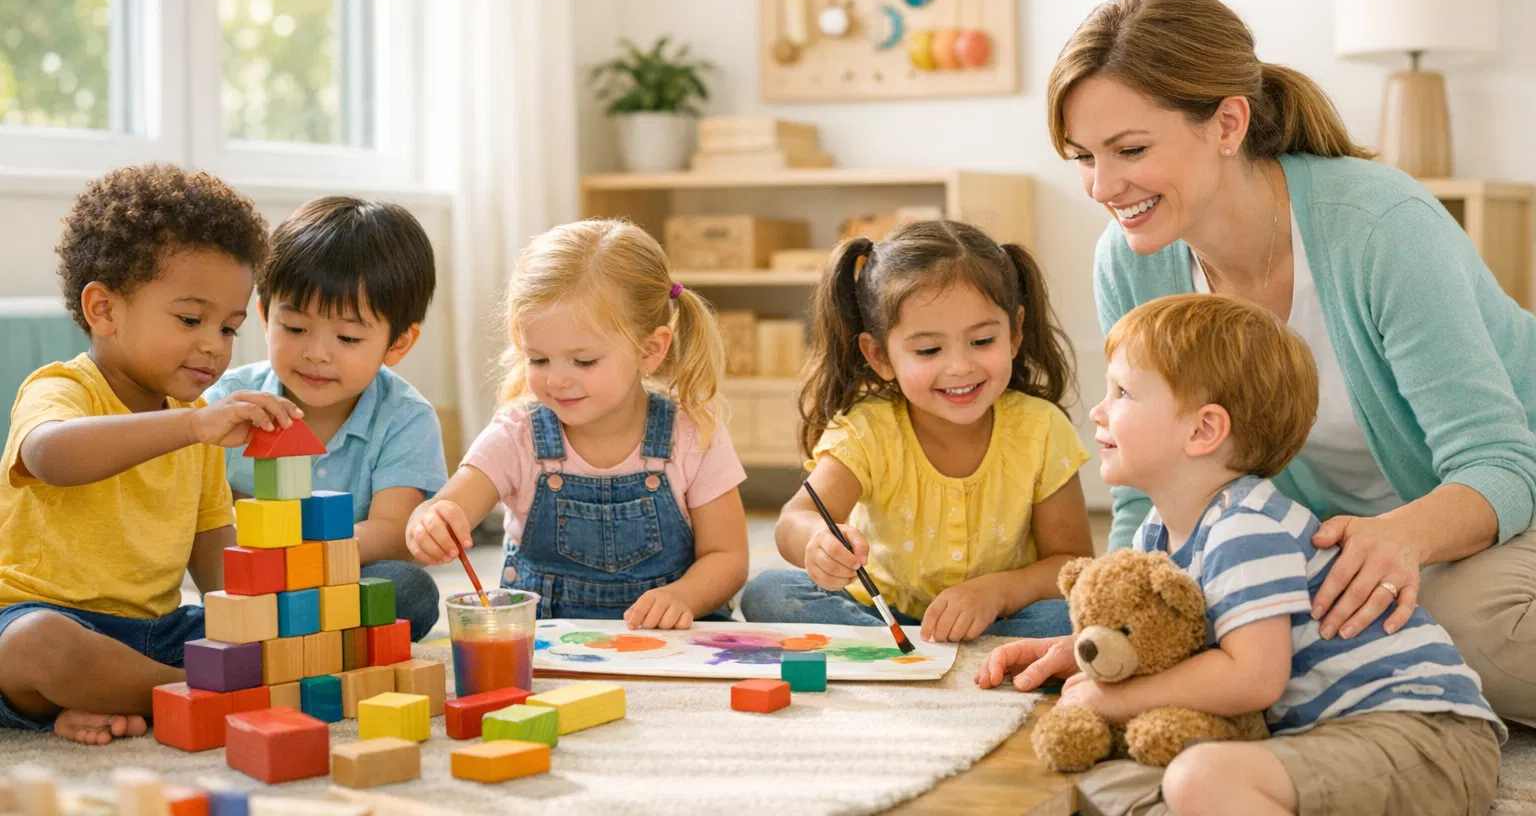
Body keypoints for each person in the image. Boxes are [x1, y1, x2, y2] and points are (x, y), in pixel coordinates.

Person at [1051, 0, 1536, 721]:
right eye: (1083, 156)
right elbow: (1143, 481)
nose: (1102, 186)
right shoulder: (1131, 261)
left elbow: (1499, 462)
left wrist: (1400, 538)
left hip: (1493, 500)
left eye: (1130, 150)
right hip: (1345, 539)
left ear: (1227, 124)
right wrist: (1107, 634)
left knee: (1465, 630)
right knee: (1276, 630)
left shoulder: (1380, 227)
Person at [980, 294, 1503, 816]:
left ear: (1203, 430)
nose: (1098, 409)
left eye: (1122, 392)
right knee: (1093, 783)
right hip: (1324, 735)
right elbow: (1160, 637)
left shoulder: (1246, 527)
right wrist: (1075, 650)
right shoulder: (1159, 529)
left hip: (1422, 735)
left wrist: (1114, 699)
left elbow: (1253, 678)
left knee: (1196, 778)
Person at [0, 165, 298, 743]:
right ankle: (189, 694)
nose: (214, 345)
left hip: (155, 629)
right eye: (191, 319)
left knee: (277, 633)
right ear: (104, 310)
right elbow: (50, 456)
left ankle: (128, 693)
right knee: (36, 648)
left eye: (230, 327)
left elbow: (216, 566)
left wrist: (270, 618)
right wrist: (192, 426)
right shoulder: (61, 389)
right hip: (40, 618)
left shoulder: (199, 428)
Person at [740, 219, 1094, 642]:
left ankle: (946, 655)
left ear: (1015, 333)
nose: (960, 366)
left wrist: (997, 593)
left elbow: (1072, 562)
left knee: (1070, 614)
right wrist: (818, 542)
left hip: (999, 617)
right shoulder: (868, 430)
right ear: (880, 355)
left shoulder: (1041, 429)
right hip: (883, 618)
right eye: (929, 350)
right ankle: (952, 657)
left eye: (982, 341)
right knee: (769, 593)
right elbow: (796, 518)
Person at [406, 219, 749, 628]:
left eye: (584, 361)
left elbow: (727, 557)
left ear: (650, 350)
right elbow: (446, 505)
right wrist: (429, 523)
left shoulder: (691, 433)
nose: (557, 379)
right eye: (538, 359)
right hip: (551, 644)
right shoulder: (517, 434)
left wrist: (683, 597)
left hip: (671, 640)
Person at [207, 196, 447, 641]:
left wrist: (302, 559)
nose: (316, 353)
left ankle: (302, 633)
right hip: (249, 580)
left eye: (348, 337)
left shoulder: (405, 417)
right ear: (264, 316)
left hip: (341, 575)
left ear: (398, 343)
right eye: (294, 329)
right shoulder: (225, 403)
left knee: (408, 590)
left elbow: (395, 532)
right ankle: (287, 632)